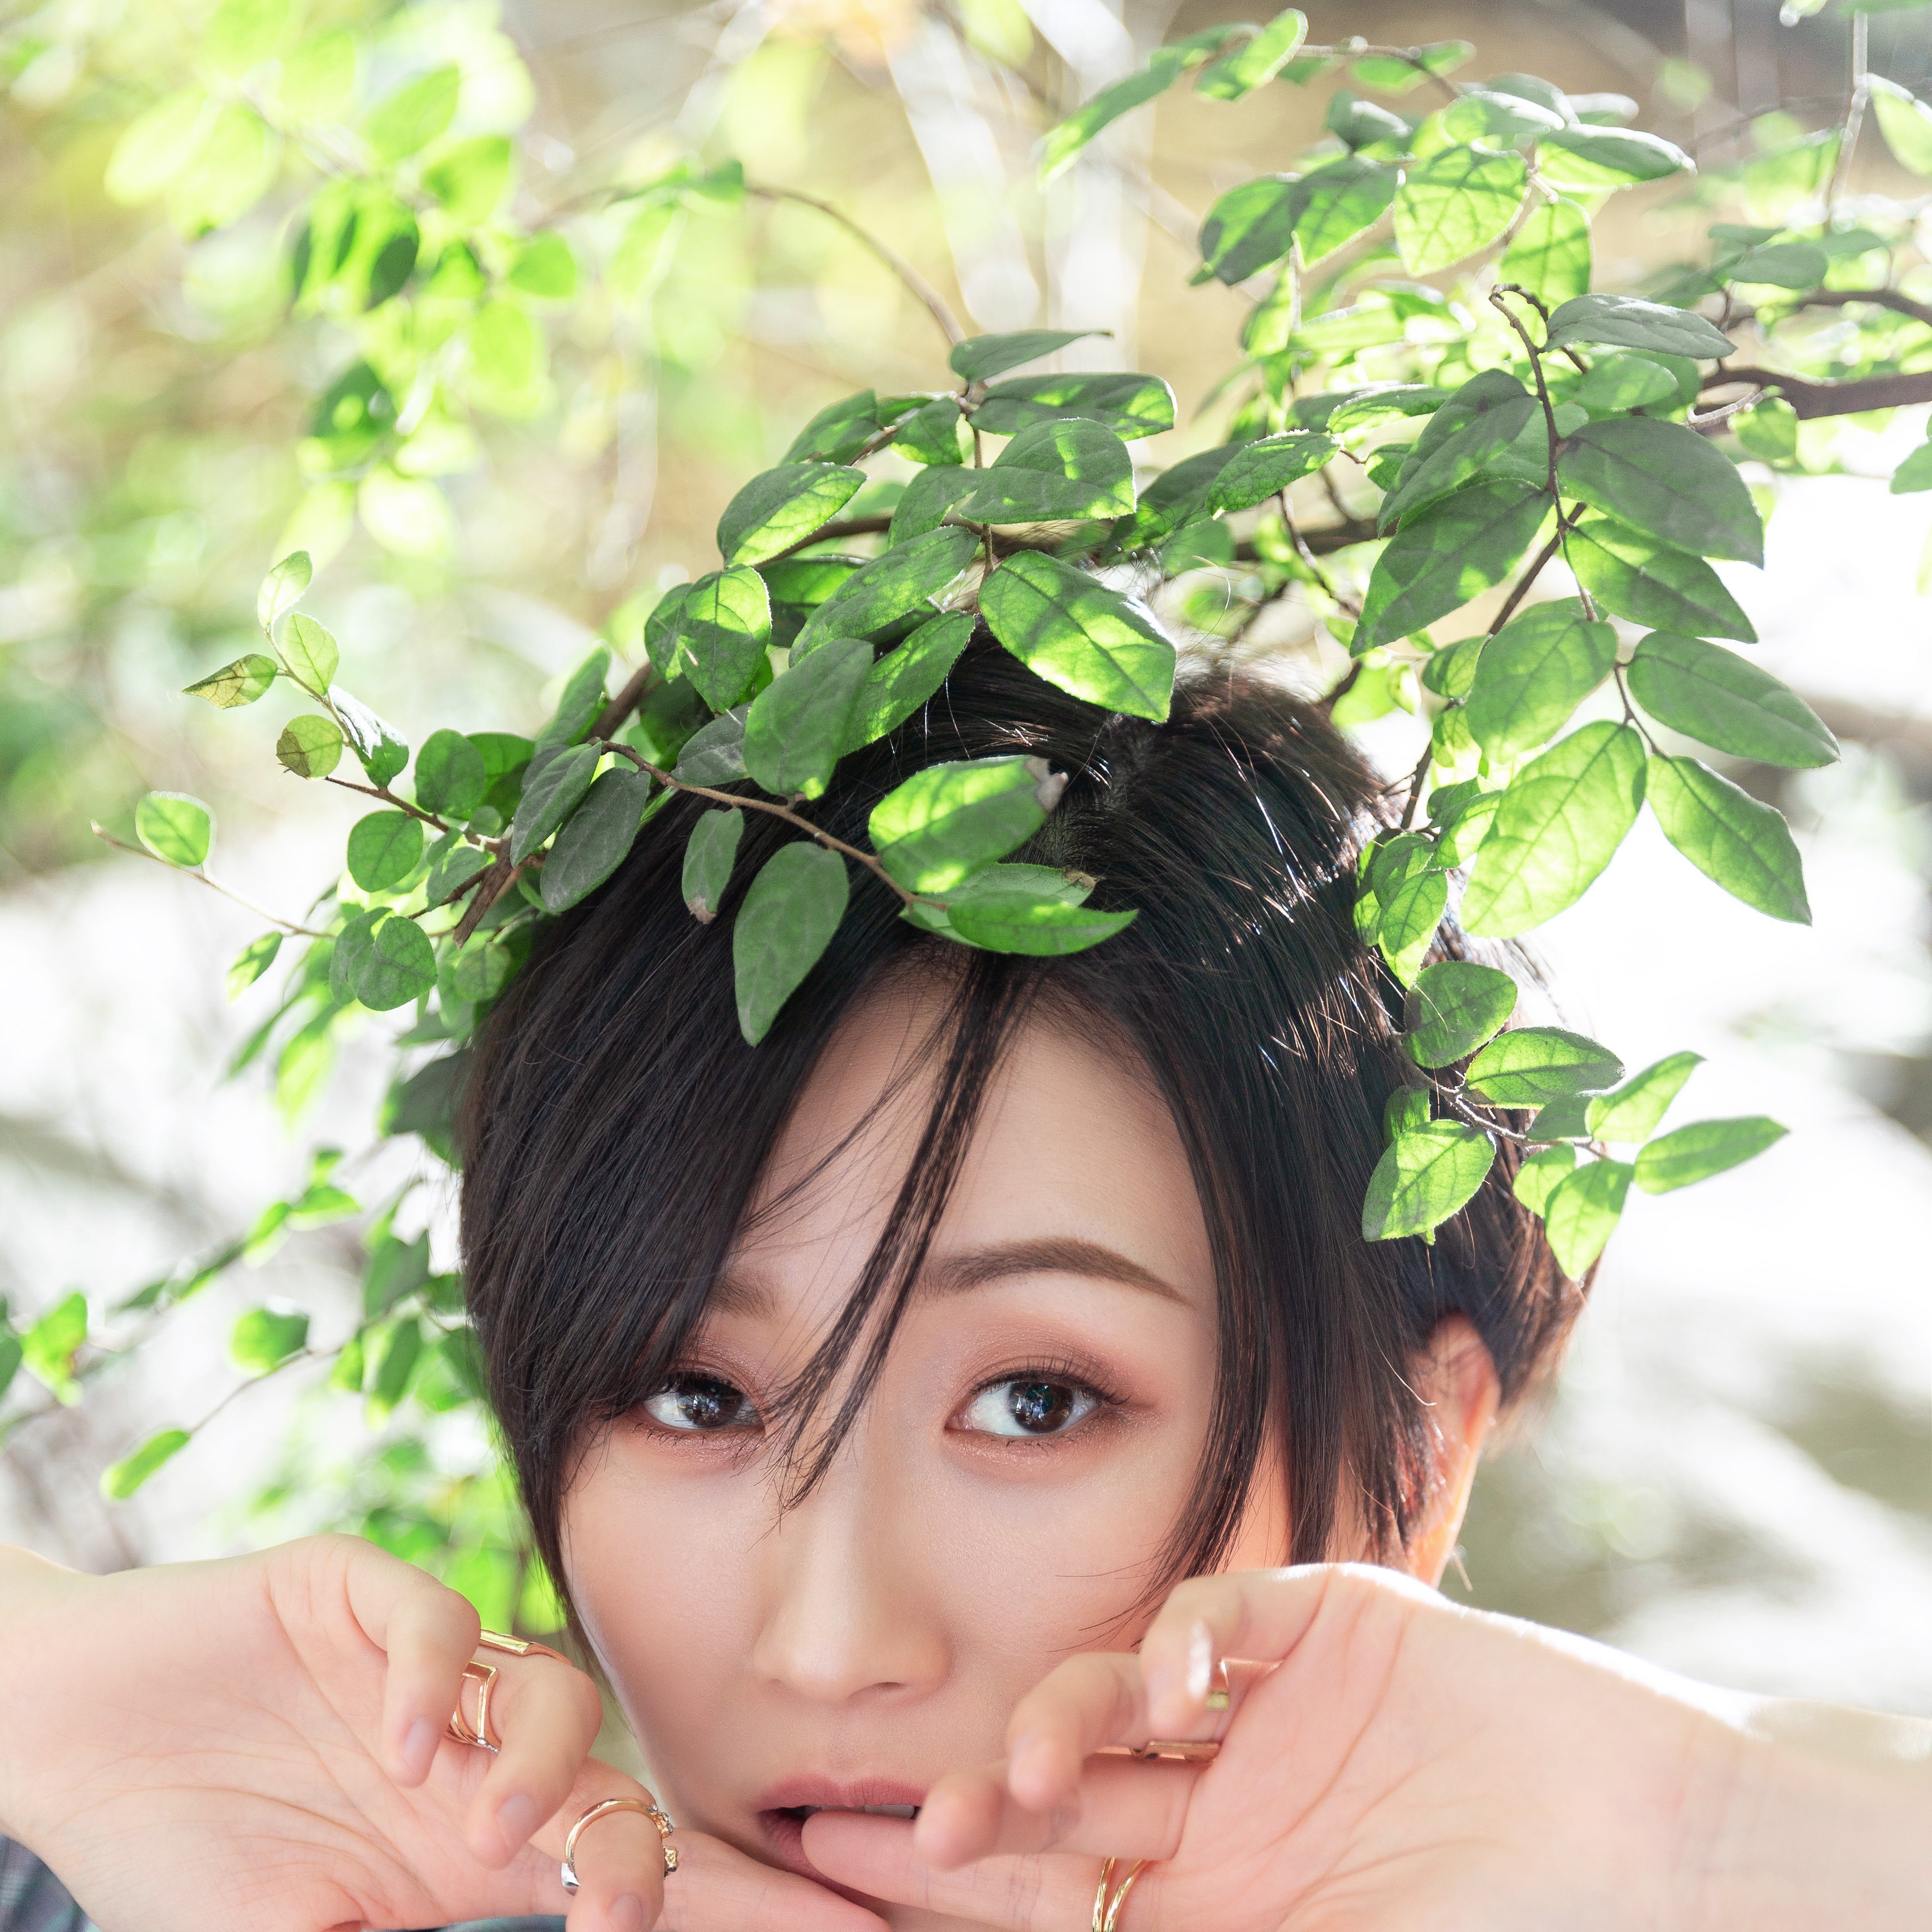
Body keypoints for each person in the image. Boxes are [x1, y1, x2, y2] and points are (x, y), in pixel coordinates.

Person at [1, 636, 1925, 1932]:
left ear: (1420, 1450)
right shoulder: (235, 1887)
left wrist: (1729, 1841)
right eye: (694, 1395)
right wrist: (50, 1691)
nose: (834, 1644)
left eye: (1037, 1401)